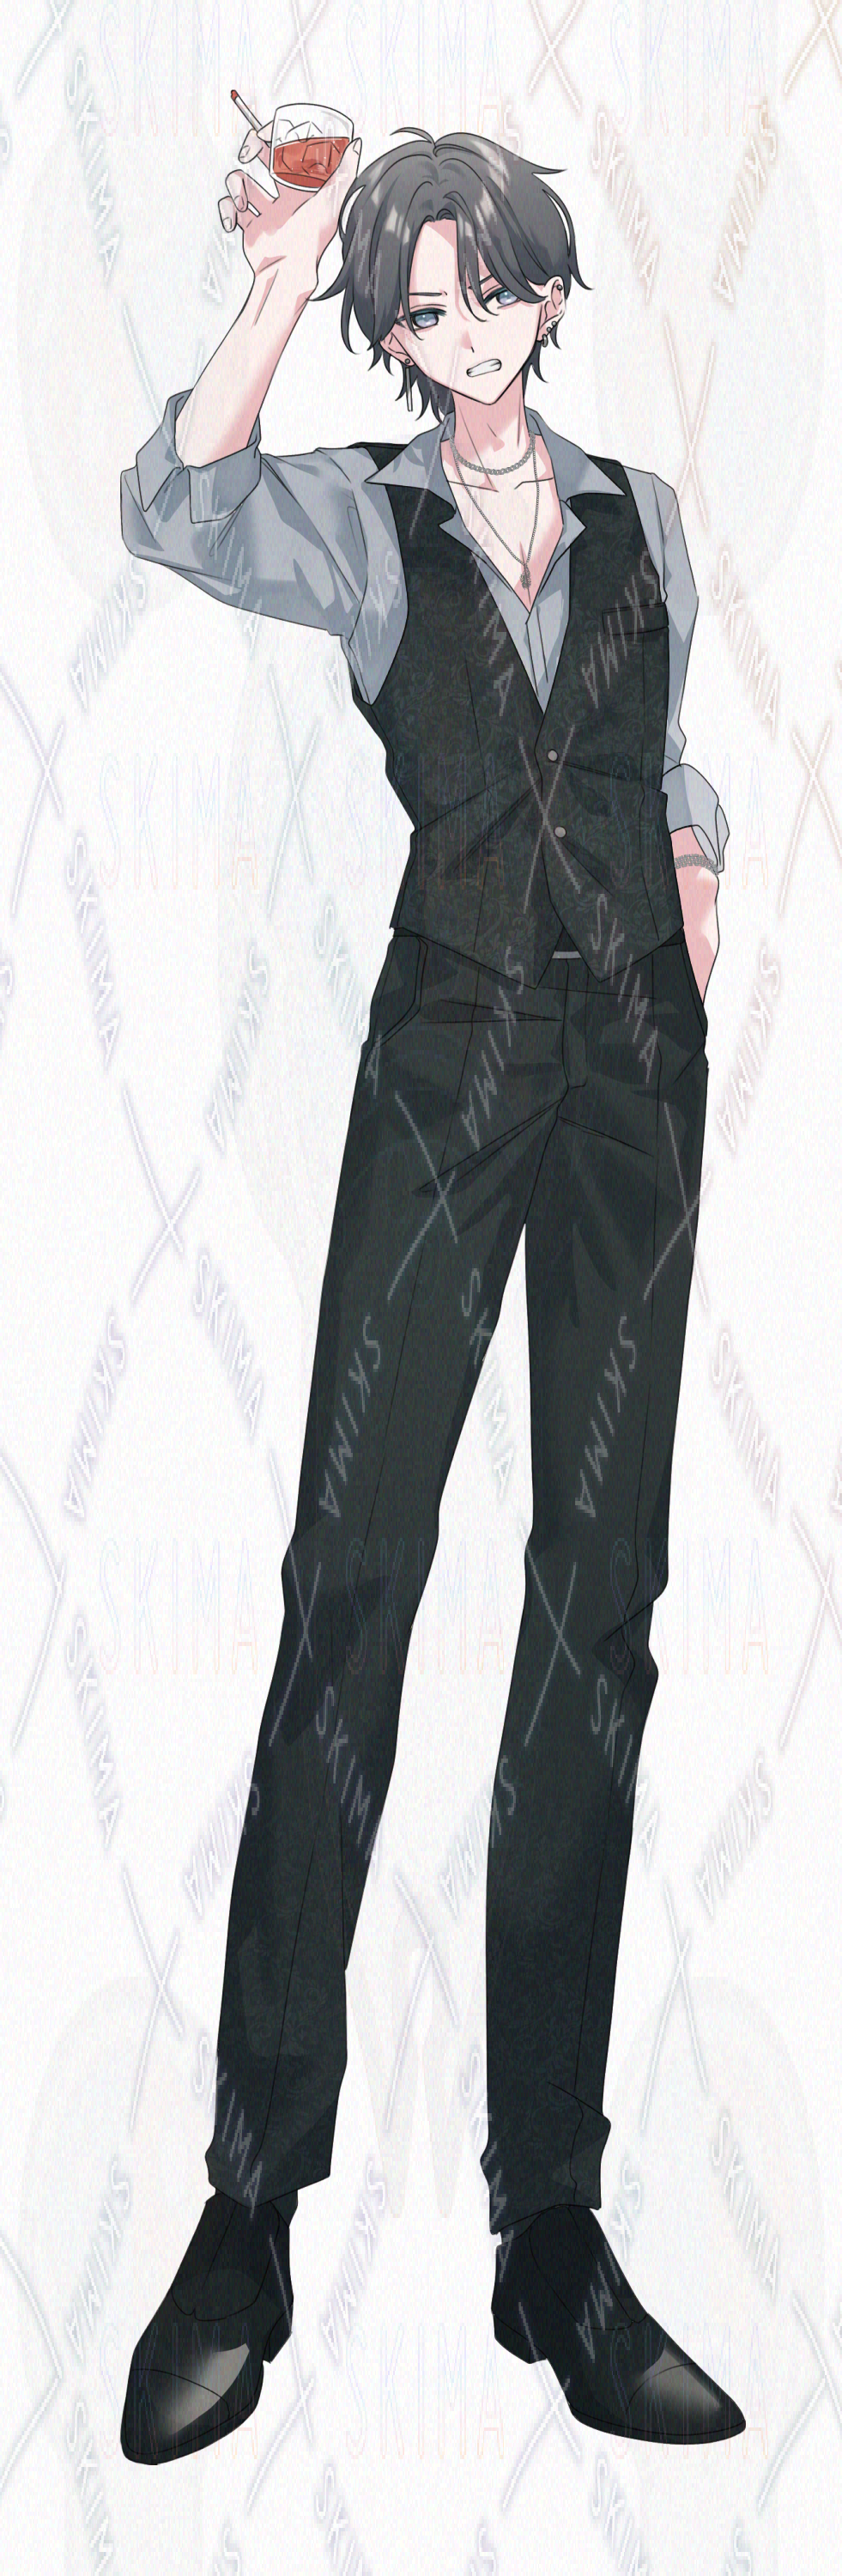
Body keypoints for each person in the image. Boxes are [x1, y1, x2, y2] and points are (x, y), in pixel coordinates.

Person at [118, 120, 744, 2466]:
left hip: (632, 1097)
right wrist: (284, 275)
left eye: (497, 295)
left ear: (553, 295)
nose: (469, 341)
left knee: (595, 1628)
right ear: (387, 336)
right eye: (425, 310)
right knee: (352, 1591)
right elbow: (172, 505)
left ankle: (551, 2232)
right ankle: (250, 2205)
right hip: (441, 1075)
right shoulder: (363, 527)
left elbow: (668, 774)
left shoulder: (637, 509)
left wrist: (697, 978)